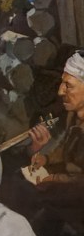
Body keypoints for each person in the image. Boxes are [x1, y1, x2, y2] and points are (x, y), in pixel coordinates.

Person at [27, 50, 84, 185]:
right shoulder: (73, 115)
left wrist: (53, 179)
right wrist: (46, 159)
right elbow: (65, 149)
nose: (60, 91)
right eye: (62, 83)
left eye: (68, 85)